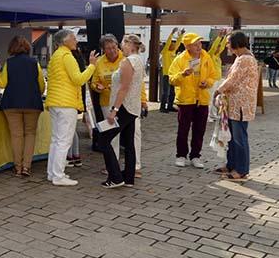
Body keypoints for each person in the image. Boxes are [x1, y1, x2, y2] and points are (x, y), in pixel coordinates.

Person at [46, 29, 97, 186]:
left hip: (56, 101)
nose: (76, 41)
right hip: (66, 102)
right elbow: (78, 79)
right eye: (73, 38)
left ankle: (53, 173)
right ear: (65, 41)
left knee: (56, 140)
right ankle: (58, 175)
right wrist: (92, 66)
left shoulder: (56, 56)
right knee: (64, 141)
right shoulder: (67, 56)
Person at [91, 34, 147, 178]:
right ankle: (122, 171)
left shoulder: (127, 60)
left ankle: (123, 172)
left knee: (127, 135)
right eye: (108, 48)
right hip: (113, 102)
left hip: (124, 105)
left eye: (115, 46)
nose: (113, 50)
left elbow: (128, 86)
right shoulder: (101, 62)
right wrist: (98, 87)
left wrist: (115, 109)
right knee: (121, 138)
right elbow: (94, 82)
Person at [0, 36, 45, 177]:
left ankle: (17, 167)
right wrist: (35, 92)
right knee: (30, 134)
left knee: (16, 135)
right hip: (32, 103)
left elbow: (2, 84)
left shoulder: (9, 63)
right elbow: (42, 85)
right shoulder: (35, 63)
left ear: (12, 48)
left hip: (11, 103)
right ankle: (26, 167)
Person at [213, 31, 258, 181]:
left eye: (228, 42)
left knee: (239, 138)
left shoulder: (244, 59)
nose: (227, 45)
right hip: (234, 104)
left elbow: (233, 79)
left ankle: (241, 170)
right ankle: (231, 164)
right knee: (232, 137)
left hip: (240, 105)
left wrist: (218, 90)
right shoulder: (242, 57)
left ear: (236, 43)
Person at [169, 33, 215, 169]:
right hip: (186, 100)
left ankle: (196, 156)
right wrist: (182, 74)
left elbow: (213, 75)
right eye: (195, 44)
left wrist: (208, 82)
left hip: (202, 99)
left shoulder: (206, 57)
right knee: (183, 129)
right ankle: (181, 155)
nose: (199, 47)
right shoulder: (180, 59)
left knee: (199, 129)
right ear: (187, 46)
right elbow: (172, 79)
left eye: (200, 44)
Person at [160, 27, 185, 113]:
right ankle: (162, 107)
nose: (173, 45)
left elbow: (178, 43)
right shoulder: (165, 52)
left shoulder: (173, 52)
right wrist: (172, 34)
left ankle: (170, 106)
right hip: (166, 75)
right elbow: (167, 43)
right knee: (165, 93)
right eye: (172, 44)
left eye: (174, 44)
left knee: (172, 92)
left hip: (173, 75)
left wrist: (181, 34)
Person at [207, 28, 228, 122]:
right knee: (210, 98)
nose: (219, 48)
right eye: (217, 47)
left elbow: (223, 46)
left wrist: (226, 37)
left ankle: (213, 114)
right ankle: (207, 116)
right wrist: (219, 36)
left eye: (219, 47)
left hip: (218, 79)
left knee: (216, 99)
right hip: (212, 80)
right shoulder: (210, 55)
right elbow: (214, 47)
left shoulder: (217, 57)